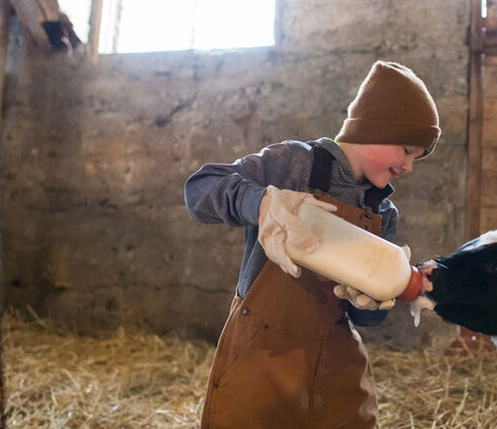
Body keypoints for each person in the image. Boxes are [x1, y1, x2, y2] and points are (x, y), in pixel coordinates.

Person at [184, 61, 441, 429]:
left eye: (416, 157)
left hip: (335, 368)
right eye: (406, 149)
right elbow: (199, 190)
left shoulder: (382, 211)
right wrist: (260, 202)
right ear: (375, 128)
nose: (409, 166)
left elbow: (365, 319)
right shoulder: (294, 164)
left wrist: (369, 304)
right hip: (261, 357)